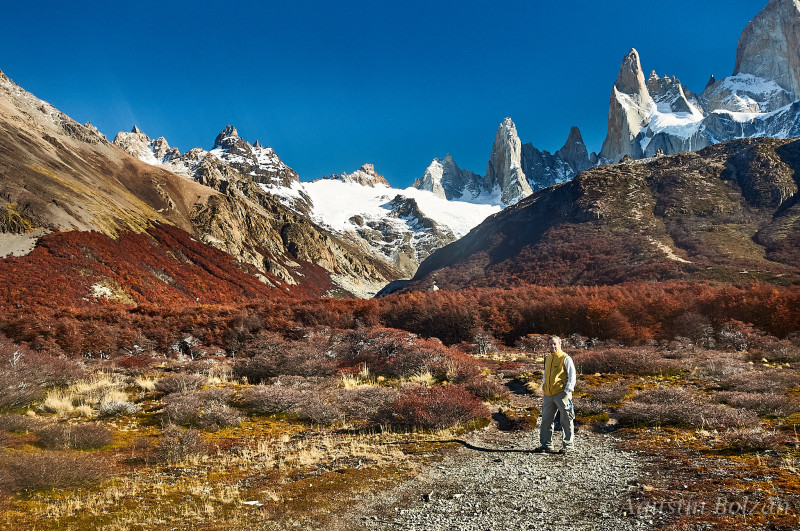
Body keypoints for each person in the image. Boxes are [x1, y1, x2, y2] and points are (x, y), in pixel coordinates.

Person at [533, 335, 576, 454]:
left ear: (559, 344)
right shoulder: (547, 358)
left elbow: (572, 375)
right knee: (546, 420)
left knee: (566, 419)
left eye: (554, 344)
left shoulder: (565, 358)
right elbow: (545, 374)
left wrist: (568, 390)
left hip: (562, 394)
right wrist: (544, 386)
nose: (552, 346)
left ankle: (568, 446)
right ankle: (546, 444)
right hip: (548, 394)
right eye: (550, 344)